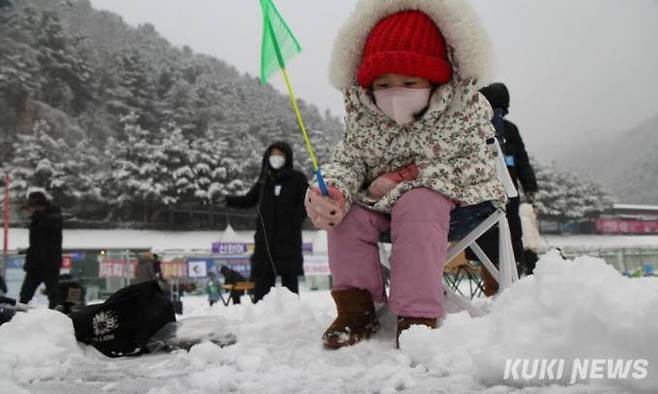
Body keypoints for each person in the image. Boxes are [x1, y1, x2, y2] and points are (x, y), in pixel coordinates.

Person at [305, 1, 506, 348]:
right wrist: (333, 189)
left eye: (409, 81)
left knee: (418, 202)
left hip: (462, 203)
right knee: (350, 215)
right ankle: (357, 310)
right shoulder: (365, 116)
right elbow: (348, 160)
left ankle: (417, 317)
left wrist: (408, 180)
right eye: (383, 84)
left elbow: (476, 163)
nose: (395, 92)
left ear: (435, 78)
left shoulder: (463, 108)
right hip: (381, 201)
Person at [470, 82, 539, 295]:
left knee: (499, 237)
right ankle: (505, 285)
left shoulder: (504, 129)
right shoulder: (481, 127)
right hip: (499, 192)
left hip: (491, 193)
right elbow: (523, 162)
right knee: (505, 236)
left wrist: (529, 186)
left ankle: (503, 284)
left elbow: (521, 160)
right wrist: (530, 188)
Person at [225, 142, 309, 302]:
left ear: (287, 157)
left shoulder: (298, 179)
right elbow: (249, 199)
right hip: (265, 242)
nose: (275, 158)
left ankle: (294, 317)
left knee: (289, 285)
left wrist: (294, 222)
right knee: (262, 284)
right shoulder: (264, 181)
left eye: (280, 154)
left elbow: (305, 204)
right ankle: (261, 316)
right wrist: (227, 200)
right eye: (273, 154)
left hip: (288, 242)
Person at [19, 191, 63, 309]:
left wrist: (37, 214)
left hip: (50, 264)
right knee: (25, 294)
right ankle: (18, 319)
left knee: (54, 295)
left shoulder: (54, 215)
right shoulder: (36, 220)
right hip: (35, 265)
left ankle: (56, 316)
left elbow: (54, 224)